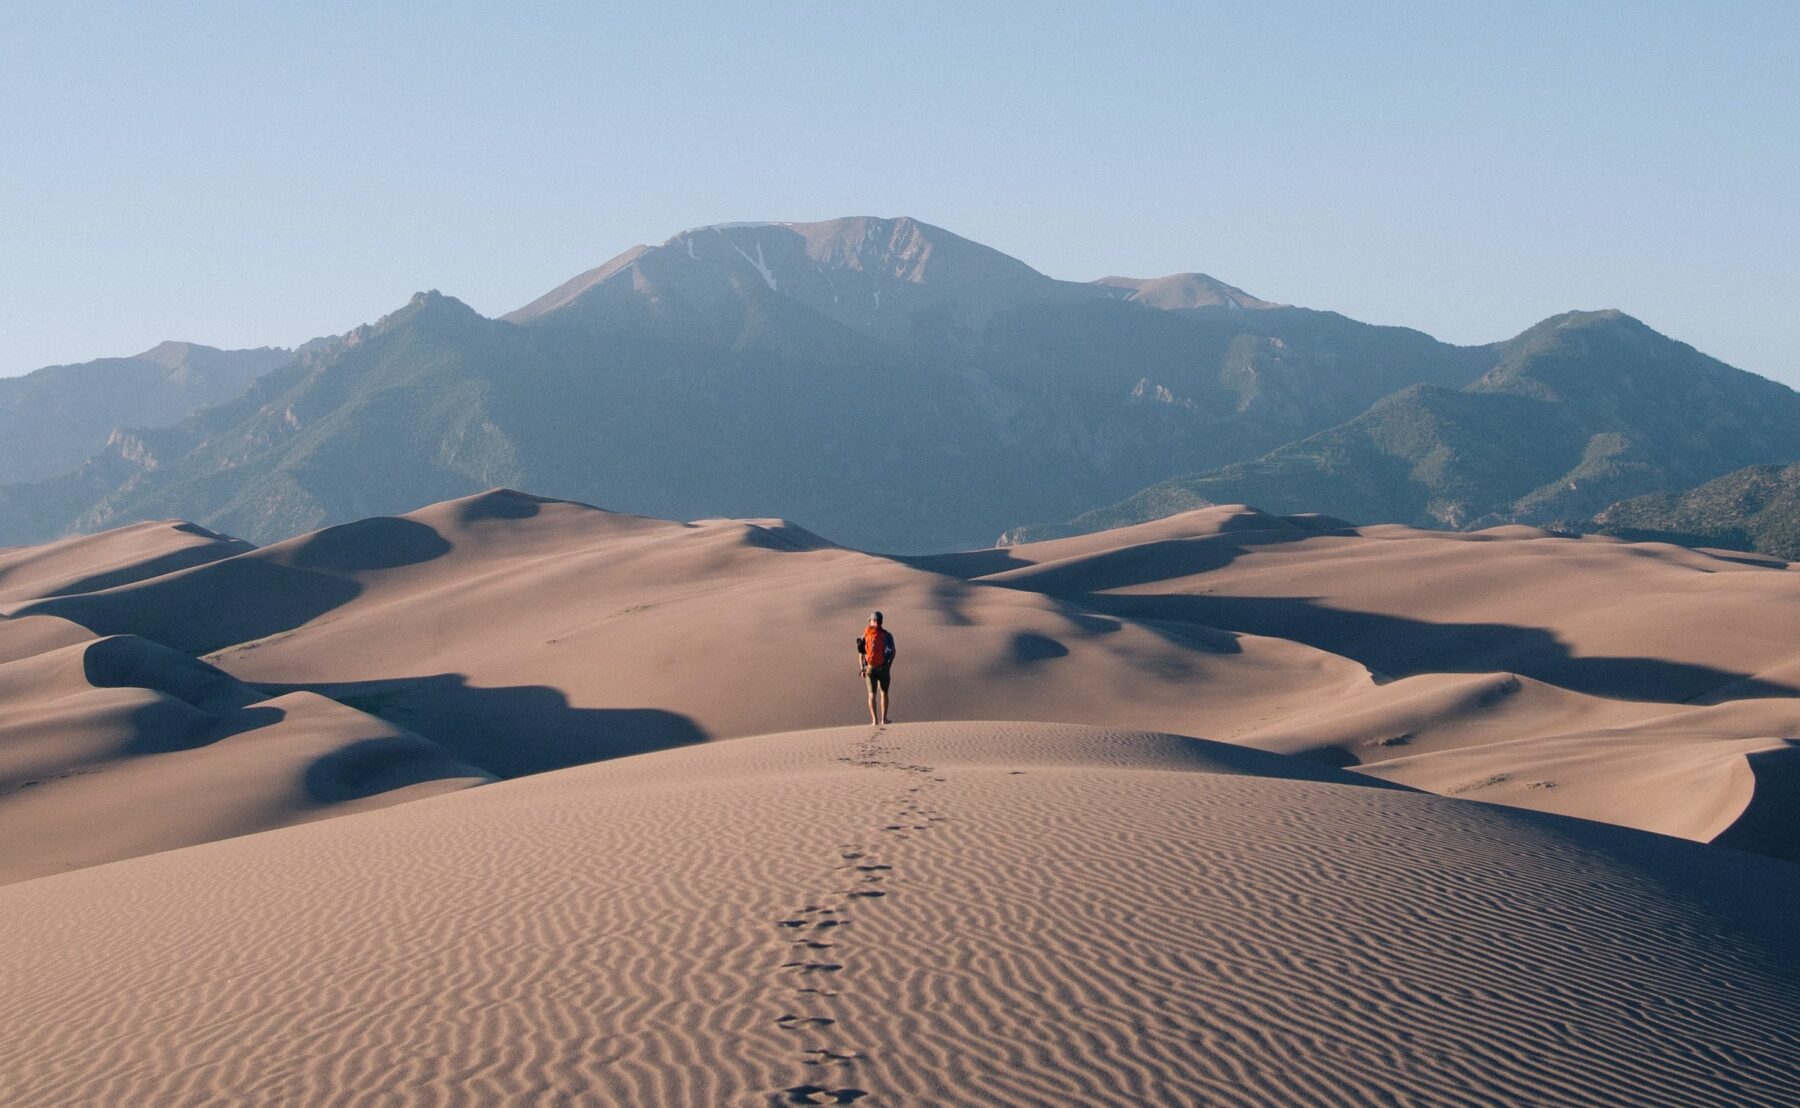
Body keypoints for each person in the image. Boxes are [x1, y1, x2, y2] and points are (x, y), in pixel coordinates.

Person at [857, 610, 896, 726]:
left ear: (874, 621)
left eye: (871, 621)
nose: (870, 623)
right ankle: (884, 719)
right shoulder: (888, 635)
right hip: (883, 667)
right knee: (884, 693)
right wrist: (889, 666)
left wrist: (862, 668)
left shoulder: (866, 634)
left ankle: (874, 721)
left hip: (870, 669)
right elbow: (893, 651)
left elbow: (861, 653)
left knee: (871, 695)